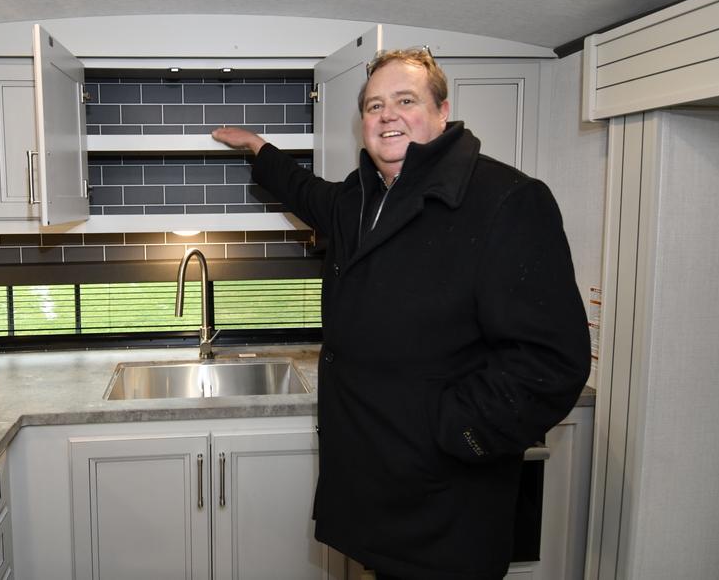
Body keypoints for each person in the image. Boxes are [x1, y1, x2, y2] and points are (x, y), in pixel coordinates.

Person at [211, 48, 591, 580]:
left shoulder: (506, 200)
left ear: (442, 111)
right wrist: (258, 149)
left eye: (405, 100)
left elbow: (551, 362)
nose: (387, 115)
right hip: (377, 485)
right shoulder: (362, 196)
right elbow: (307, 193)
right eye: (373, 105)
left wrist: (456, 431)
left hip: (446, 496)